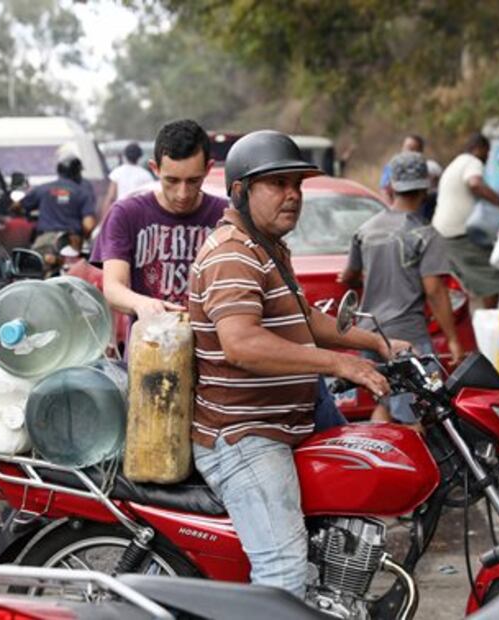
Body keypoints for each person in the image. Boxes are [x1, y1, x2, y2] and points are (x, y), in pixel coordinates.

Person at [189, 130, 408, 597]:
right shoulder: (232, 253)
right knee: (283, 576)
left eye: (297, 185)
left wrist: (379, 343)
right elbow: (241, 343)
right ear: (240, 191)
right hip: (245, 437)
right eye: (278, 184)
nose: (292, 195)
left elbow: (305, 318)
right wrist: (337, 364)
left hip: (282, 425)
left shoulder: (268, 246)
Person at [340, 151, 464, 423]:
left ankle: (382, 464)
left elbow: (348, 276)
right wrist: (453, 339)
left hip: (370, 334)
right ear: (424, 189)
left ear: (391, 187)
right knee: (417, 416)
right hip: (407, 337)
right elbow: (434, 290)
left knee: (383, 404)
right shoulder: (425, 235)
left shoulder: (365, 230)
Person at [95, 119, 227, 319]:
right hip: (150, 344)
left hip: (210, 348)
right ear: (154, 168)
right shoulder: (126, 214)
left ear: (208, 169)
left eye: (193, 181)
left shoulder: (226, 216)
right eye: (172, 180)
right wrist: (143, 304)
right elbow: (113, 287)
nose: (182, 194)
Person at [432, 133, 499, 308]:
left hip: (444, 233)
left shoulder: (456, 163)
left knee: (473, 280)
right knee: (491, 278)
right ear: (479, 149)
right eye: (487, 152)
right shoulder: (471, 162)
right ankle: (490, 323)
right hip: (456, 235)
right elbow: (475, 183)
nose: (487, 157)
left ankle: (483, 319)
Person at [15, 152, 96, 274]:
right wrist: (81, 237)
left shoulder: (43, 189)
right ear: (77, 173)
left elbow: (17, 206)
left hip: (45, 241)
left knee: (32, 271)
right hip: (72, 242)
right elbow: (89, 225)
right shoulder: (83, 193)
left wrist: (22, 212)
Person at [379, 134, 442, 203]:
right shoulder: (392, 167)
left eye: (412, 149)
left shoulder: (430, 168)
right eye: (405, 148)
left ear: (420, 152)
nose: (407, 152)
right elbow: (385, 191)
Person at [101, 141, 154, 213]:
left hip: (120, 211)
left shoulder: (117, 172)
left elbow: (111, 197)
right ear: (140, 156)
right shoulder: (146, 175)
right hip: (138, 212)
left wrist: (104, 218)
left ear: (125, 155)